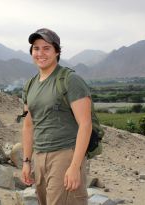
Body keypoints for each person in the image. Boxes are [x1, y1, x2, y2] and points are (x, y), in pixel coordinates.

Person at [21, 28, 93, 205]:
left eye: (46, 48)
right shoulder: (30, 84)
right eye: (36, 48)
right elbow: (29, 125)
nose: (40, 53)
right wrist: (26, 161)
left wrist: (75, 167)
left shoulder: (70, 80)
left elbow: (85, 125)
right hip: (40, 156)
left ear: (57, 51)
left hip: (65, 154)